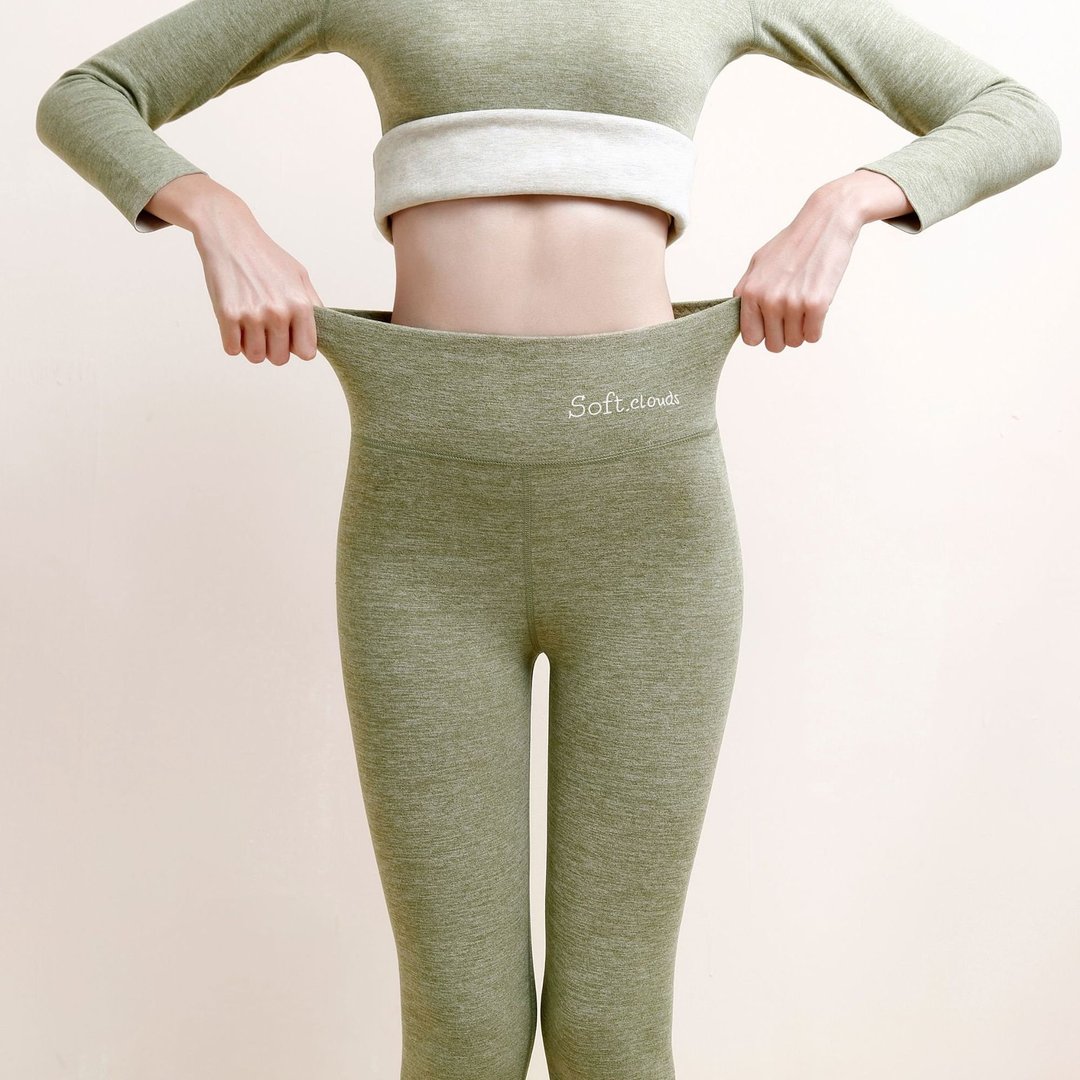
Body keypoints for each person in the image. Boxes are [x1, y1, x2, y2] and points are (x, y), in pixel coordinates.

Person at [36, 1, 1060, 1078]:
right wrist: (214, 210)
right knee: (463, 1028)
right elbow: (90, 96)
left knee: (612, 1027)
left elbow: (1012, 114)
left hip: (649, 520)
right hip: (424, 524)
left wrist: (846, 201)